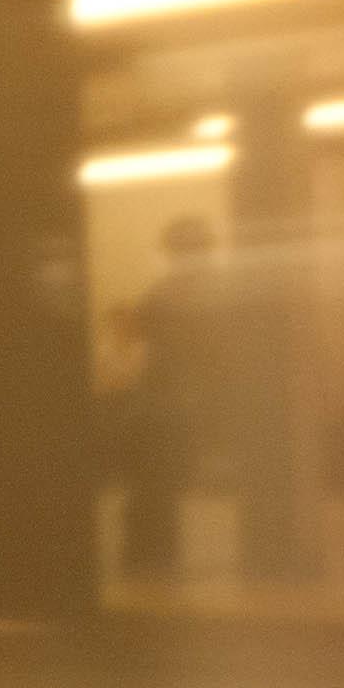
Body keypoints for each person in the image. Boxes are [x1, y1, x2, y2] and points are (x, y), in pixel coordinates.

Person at [120, 216, 235, 576]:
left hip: (168, 397)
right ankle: (153, 554)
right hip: (173, 397)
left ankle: (150, 554)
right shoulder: (210, 291)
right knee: (158, 479)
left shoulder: (165, 293)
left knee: (154, 480)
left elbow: (148, 339)